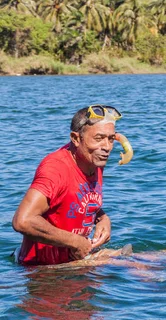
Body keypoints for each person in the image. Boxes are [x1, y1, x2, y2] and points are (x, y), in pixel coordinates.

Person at [12, 105, 125, 266]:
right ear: (76, 138)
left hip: (75, 263)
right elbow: (23, 221)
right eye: (99, 138)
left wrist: (102, 218)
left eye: (111, 139)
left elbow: (73, 199)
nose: (107, 147)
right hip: (43, 272)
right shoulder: (55, 169)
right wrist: (76, 242)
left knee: (156, 260)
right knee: (137, 267)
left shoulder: (94, 160)